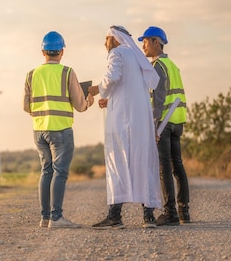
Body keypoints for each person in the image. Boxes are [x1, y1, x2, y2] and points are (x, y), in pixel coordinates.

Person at [88, 25, 163, 229]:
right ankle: (148, 217)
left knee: (117, 161)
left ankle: (115, 216)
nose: (105, 44)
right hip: (140, 119)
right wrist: (109, 97)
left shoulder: (117, 53)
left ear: (115, 39)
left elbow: (112, 77)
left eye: (106, 39)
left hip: (122, 120)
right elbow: (127, 86)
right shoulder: (136, 56)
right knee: (142, 163)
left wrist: (96, 90)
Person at [24, 31, 95, 229]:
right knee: (60, 173)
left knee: (46, 171)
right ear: (61, 51)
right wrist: (89, 99)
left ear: (43, 51)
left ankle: (45, 218)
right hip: (61, 130)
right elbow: (80, 106)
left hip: (39, 131)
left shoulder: (31, 74)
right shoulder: (67, 72)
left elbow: (26, 106)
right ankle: (56, 218)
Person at [139, 26, 191, 225]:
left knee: (165, 167)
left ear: (156, 42)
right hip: (177, 121)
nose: (143, 45)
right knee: (178, 165)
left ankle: (170, 213)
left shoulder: (158, 66)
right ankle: (184, 212)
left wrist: (154, 126)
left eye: (145, 41)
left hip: (165, 123)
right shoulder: (173, 65)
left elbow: (158, 99)